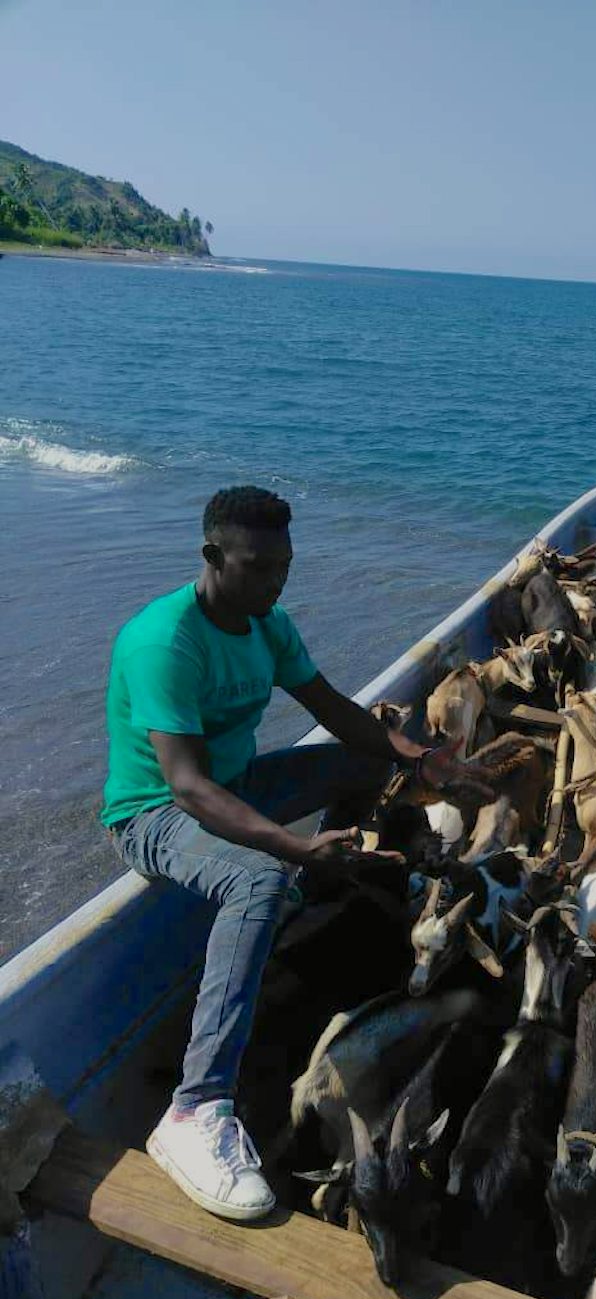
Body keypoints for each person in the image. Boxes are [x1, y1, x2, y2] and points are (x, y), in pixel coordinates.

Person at [101, 485, 467, 1221]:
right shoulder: (163, 641)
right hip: (156, 813)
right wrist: (296, 848)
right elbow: (188, 786)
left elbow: (334, 710)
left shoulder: (267, 623)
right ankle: (195, 1110)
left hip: (237, 784)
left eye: (285, 566)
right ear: (213, 558)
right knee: (261, 883)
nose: (277, 581)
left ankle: (326, 883)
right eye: (260, 566)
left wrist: (423, 761)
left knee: (365, 760)